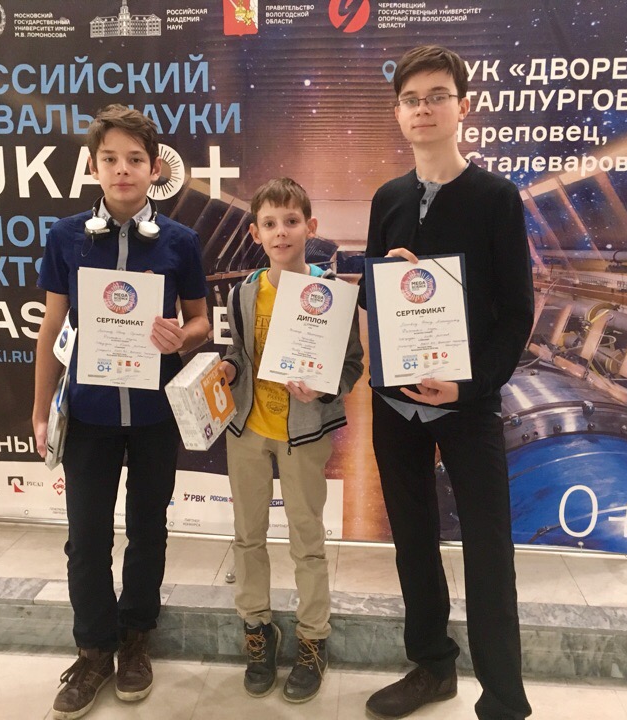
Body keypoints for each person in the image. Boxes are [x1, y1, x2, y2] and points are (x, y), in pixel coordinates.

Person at [359, 46, 534, 720]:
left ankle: (504, 697)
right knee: (411, 539)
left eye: (437, 96)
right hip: (397, 403)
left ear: (463, 107)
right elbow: (374, 296)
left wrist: (469, 386)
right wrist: (391, 279)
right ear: (398, 113)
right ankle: (432, 666)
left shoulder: (496, 198)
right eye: (411, 99)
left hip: (468, 403)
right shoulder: (388, 198)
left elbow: (516, 313)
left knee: (488, 550)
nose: (423, 109)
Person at [32, 104, 210, 720]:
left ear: (155, 168)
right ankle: (92, 650)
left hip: (155, 415)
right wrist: (40, 411)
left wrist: (181, 337)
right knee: (85, 538)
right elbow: (52, 325)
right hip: (89, 415)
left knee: (148, 531)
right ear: (93, 166)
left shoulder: (181, 241)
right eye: (110, 158)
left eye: (135, 159)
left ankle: (136, 640)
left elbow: (201, 320)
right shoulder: (66, 237)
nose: (123, 169)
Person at [218, 178, 363, 703]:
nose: (281, 232)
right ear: (255, 233)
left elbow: (351, 366)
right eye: (270, 224)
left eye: (292, 221)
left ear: (310, 227)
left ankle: (313, 638)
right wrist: (228, 371)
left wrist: (325, 387)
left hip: (303, 435)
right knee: (247, 536)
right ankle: (257, 628)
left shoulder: (332, 296)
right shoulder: (243, 293)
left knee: (307, 539)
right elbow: (240, 354)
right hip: (248, 432)